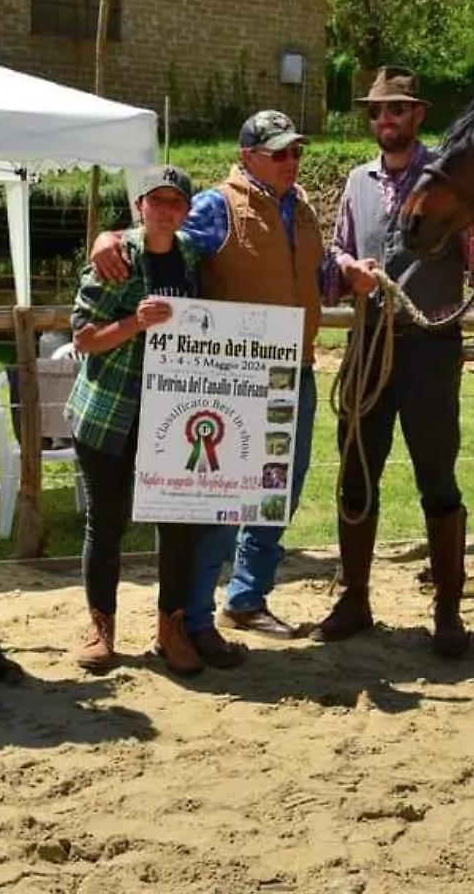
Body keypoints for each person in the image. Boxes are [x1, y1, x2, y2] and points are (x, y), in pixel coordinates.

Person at [90, 110, 322, 664]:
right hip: (234, 378)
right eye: (279, 152)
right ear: (248, 156)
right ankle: (193, 618)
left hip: (295, 366)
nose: (291, 161)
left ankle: (246, 597)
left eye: (296, 152)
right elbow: (159, 235)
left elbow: (316, 269)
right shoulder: (217, 206)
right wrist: (111, 237)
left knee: (278, 491)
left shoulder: (304, 207)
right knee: (223, 499)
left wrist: (349, 269)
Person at [313, 65, 474, 656]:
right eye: (375, 111)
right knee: (356, 469)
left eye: (395, 109)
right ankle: (355, 598)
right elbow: (336, 255)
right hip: (370, 342)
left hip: (429, 345)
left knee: (436, 474)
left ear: (417, 114)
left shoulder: (449, 177)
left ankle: (448, 608)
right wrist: (347, 271)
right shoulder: (355, 182)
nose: (384, 119)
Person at [67, 165, 204, 676]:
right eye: (157, 200)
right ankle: (100, 625)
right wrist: (135, 323)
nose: (167, 210)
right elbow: (82, 338)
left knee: (179, 523)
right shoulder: (117, 257)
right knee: (105, 523)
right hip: (109, 413)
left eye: (176, 202)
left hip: (172, 414)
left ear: (186, 211)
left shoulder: (192, 255)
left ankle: (172, 627)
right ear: (139, 205)